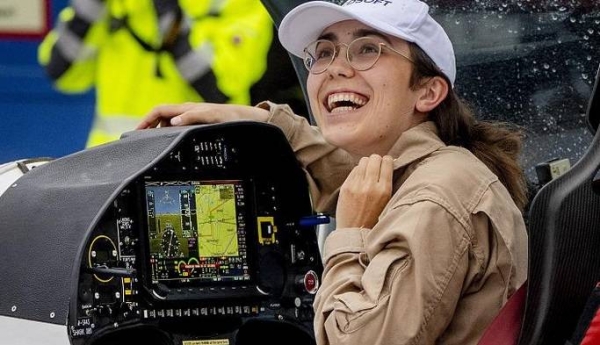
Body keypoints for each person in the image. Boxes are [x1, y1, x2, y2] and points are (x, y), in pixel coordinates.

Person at [136, 0, 529, 344]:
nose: (335, 69)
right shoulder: (425, 170)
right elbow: (344, 168)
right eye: (323, 53)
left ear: (428, 92)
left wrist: (351, 235)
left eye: (367, 49)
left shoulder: (435, 198)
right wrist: (260, 120)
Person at [38, 0, 282, 147]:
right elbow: (61, 71)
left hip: (202, 165)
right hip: (108, 167)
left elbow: (219, 88)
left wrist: (169, 18)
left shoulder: (235, 4)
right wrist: (89, 9)